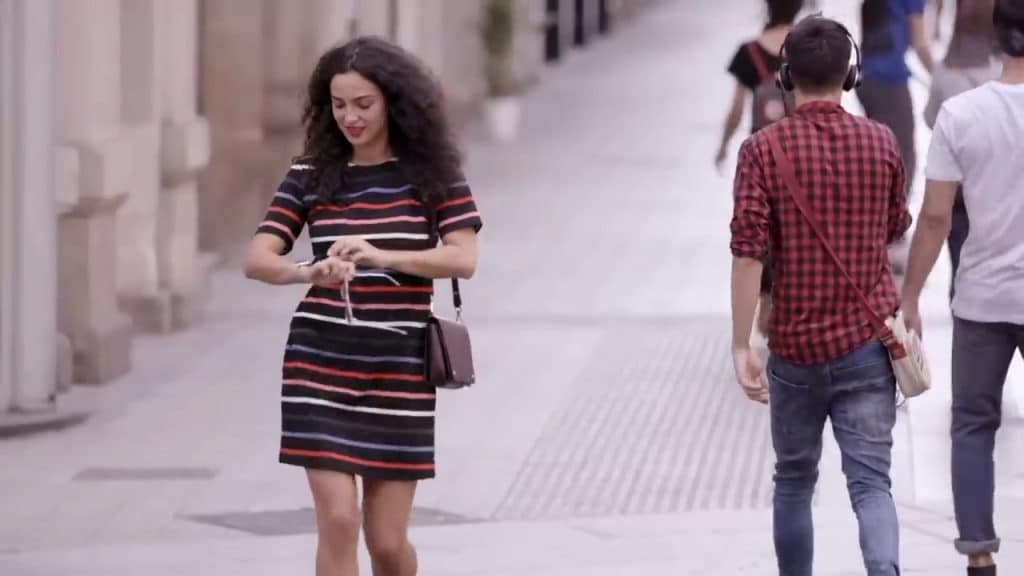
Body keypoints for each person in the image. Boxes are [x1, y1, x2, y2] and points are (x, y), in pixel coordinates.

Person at [244, 36, 483, 576]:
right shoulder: (310, 175)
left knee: (388, 544)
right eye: (338, 105)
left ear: (393, 103)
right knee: (338, 519)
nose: (349, 117)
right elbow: (258, 258)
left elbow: (463, 259)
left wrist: (381, 256)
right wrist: (308, 271)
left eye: (363, 104)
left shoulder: (434, 177)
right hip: (319, 361)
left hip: (398, 370)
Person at [730, 16, 911, 576]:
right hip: (867, 344)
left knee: (793, 480)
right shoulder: (881, 141)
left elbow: (747, 251)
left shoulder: (761, 150)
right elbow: (894, 226)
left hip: (795, 349)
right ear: (850, 75)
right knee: (872, 484)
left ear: (786, 75)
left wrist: (741, 344)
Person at [901, 0, 1024, 573]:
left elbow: (934, 218)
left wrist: (909, 297)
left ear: (997, 39)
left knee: (973, 426)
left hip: (981, 298)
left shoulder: (961, 114)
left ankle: (979, 553)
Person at [717, 0, 804, 339]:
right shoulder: (807, 49)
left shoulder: (749, 52)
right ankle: (789, 297)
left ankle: (766, 299)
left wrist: (724, 145)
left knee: (761, 228)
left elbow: (737, 108)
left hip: (761, 155)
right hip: (800, 153)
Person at [923, 0, 1000, 299]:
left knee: (959, 252)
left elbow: (931, 118)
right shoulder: (999, 71)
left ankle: (961, 298)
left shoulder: (944, 72)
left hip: (956, 186)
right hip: (993, 185)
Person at [858, 0, 936, 196]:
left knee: (877, 155)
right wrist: (940, 78)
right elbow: (920, 44)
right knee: (903, 158)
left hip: (867, 77)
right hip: (889, 80)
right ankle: (893, 213)